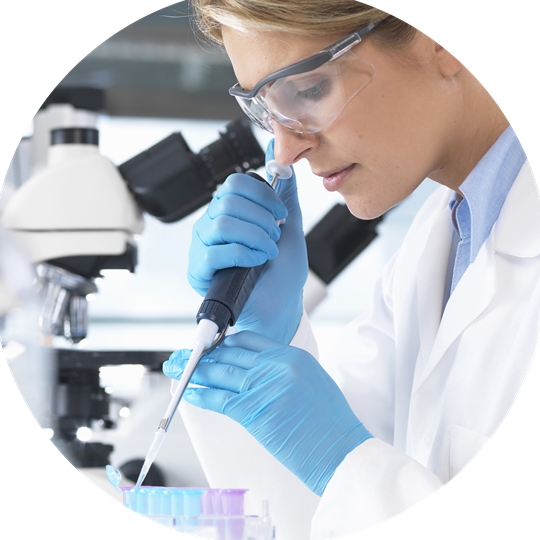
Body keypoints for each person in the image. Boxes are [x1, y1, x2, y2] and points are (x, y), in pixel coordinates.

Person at [162, 2, 539, 538]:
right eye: (266, 109)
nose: (287, 149)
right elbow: (325, 505)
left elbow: (354, 469)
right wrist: (273, 333)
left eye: (309, 90)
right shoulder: (436, 248)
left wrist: (342, 460)